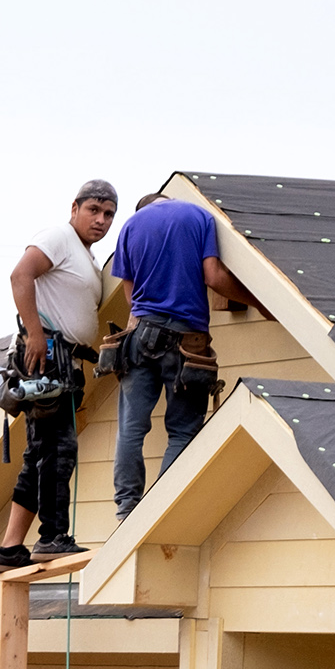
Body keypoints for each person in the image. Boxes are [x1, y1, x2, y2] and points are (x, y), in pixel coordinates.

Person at [104, 190, 261, 519]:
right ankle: (162, 508)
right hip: (186, 339)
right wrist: (258, 302)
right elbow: (214, 277)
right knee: (183, 430)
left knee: (131, 427)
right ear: (168, 199)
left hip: (140, 335)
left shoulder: (131, 226)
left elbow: (130, 296)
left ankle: (127, 509)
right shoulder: (197, 216)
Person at [0, 179, 119, 572]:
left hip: (64, 360)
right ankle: (52, 537)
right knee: (59, 450)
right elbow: (19, 276)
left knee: (40, 453)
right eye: (93, 210)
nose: (101, 220)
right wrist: (36, 334)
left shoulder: (86, 257)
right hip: (47, 354)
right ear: (74, 208)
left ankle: (10, 548)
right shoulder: (58, 237)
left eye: (109, 214)